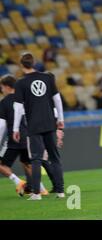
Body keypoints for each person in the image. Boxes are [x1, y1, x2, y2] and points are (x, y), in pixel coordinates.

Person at [12, 53, 65, 200]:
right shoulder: (48, 78)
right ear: (34, 63)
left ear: (21, 65)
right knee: (55, 158)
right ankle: (60, 192)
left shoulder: (20, 83)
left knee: (35, 159)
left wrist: (15, 129)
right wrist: (60, 118)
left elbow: (17, 107)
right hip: (50, 122)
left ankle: (36, 193)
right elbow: (57, 99)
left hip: (34, 125)